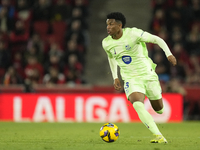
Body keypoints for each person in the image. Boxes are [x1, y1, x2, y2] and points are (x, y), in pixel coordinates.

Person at [102, 12, 177, 143]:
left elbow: (157, 39)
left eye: (111, 24)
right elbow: (111, 57)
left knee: (159, 110)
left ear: (119, 25)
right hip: (131, 78)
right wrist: (115, 77)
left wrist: (169, 54)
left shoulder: (134, 34)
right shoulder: (106, 43)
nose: (108, 27)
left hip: (148, 75)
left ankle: (158, 104)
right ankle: (158, 136)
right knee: (137, 103)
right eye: (107, 24)